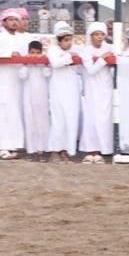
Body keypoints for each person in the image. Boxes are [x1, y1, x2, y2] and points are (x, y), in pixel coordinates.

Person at [0, 8, 29, 160]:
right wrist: (9, 54)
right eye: (10, 19)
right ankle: (1, 147)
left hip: (15, 81)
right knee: (2, 113)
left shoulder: (19, 38)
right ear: (3, 22)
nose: (14, 22)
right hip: (2, 81)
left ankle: (12, 146)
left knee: (13, 112)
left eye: (16, 20)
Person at [79, 22, 115, 164]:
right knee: (91, 118)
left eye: (102, 34)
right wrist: (103, 59)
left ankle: (101, 150)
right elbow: (91, 70)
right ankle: (90, 151)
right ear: (91, 36)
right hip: (92, 88)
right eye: (96, 34)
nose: (99, 37)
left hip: (106, 88)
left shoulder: (109, 48)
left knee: (104, 119)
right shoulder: (86, 50)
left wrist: (107, 59)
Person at [47, 22, 82, 162]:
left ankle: (66, 150)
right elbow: (55, 63)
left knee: (70, 120)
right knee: (58, 120)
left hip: (72, 90)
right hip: (58, 90)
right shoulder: (53, 50)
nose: (69, 43)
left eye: (70, 40)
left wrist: (70, 57)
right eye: (66, 40)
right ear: (59, 40)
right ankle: (55, 150)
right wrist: (69, 57)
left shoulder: (76, 49)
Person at [20, 40, 52, 162]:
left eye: (37, 53)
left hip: (41, 97)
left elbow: (47, 74)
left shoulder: (43, 64)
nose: (34, 55)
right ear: (28, 52)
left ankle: (42, 150)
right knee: (30, 122)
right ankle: (31, 150)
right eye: (32, 53)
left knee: (42, 122)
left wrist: (43, 62)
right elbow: (22, 76)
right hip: (28, 97)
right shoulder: (25, 64)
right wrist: (25, 64)